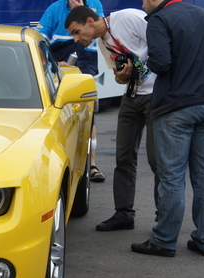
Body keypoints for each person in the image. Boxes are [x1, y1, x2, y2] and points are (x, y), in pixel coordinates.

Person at [130, 0, 204, 257]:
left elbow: (161, 63)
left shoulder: (159, 20)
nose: (142, 4)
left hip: (176, 107)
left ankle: (163, 240)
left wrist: (142, 65)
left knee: (172, 176)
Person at [65, 6, 159, 232]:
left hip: (156, 94)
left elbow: (161, 43)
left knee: (158, 160)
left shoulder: (127, 18)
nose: (77, 39)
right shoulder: (102, 42)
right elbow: (118, 79)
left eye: (77, 32)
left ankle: (163, 219)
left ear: (90, 21)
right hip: (131, 95)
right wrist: (122, 76)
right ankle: (123, 214)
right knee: (123, 157)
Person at [37, 0, 106, 183]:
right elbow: (39, 39)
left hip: (86, 63)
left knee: (88, 115)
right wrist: (50, 63)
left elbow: (96, 28)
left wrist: (78, 11)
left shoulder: (95, 5)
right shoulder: (55, 8)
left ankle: (91, 164)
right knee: (61, 114)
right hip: (61, 67)